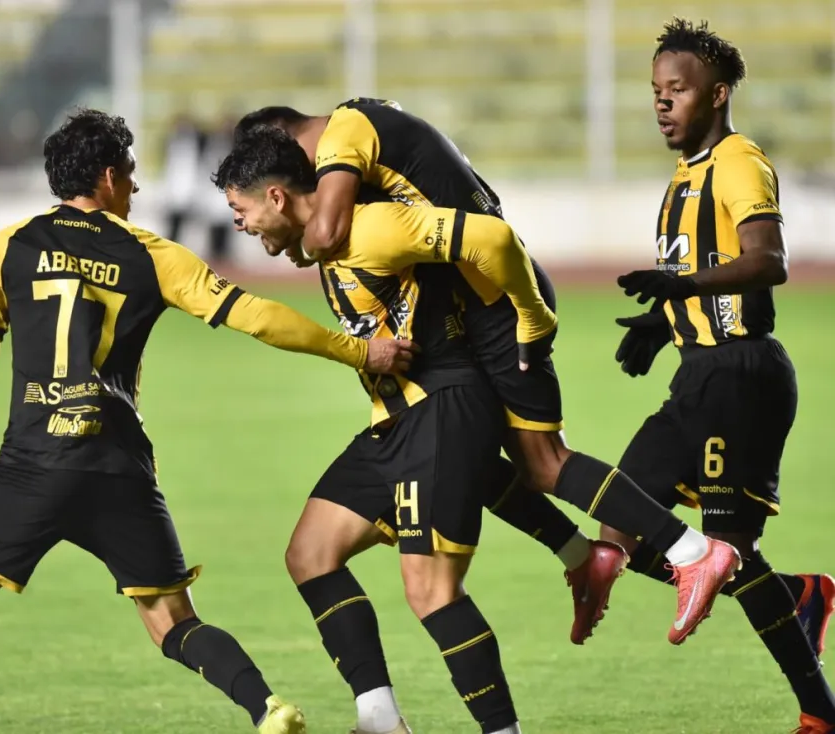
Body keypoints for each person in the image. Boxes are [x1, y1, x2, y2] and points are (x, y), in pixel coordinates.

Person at [0, 108, 415, 734]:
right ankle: (267, 708)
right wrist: (359, 348)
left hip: (31, 464)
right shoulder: (153, 255)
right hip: (118, 465)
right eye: (133, 176)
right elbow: (257, 317)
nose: (138, 191)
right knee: (175, 623)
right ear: (109, 176)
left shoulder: (10, 246)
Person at [213, 126, 737, 734]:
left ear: (276, 196)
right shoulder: (324, 241)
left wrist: (533, 316)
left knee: (432, 588)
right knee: (310, 554)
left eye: (240, 209)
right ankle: (378, 718)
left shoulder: (371, 227)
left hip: (441, 408)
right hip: (397, 420)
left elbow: (490, 236)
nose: (240, 226)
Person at [604, 19, 835, 734]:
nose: (662, 102)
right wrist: (662, 320)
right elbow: (702, 272)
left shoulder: (738, 161)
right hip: (696, 376)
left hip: (741, 377)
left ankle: (820, 713)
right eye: (656, 90)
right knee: (620, 530)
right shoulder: (683, 178)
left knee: (726, 546)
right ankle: (799, 595)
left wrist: (678, 291)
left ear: (718, 94)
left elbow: (769, 262)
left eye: (678, 89)